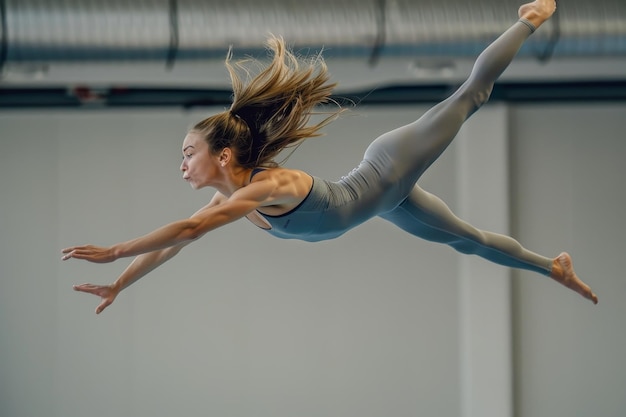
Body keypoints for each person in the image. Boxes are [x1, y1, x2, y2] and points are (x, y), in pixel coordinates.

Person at [62, 0, 598, 314]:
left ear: (224, 156)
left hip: (387, 167)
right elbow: (171, 247)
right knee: (471, 243)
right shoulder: (233, 199)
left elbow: (185, 232)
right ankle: (555, 268)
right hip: (384, 202)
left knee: (469, 98)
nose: (181, 165)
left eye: (187, 154)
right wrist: (121, 282)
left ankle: (529, 17)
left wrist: (114, 250)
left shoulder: (263, 190)